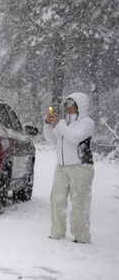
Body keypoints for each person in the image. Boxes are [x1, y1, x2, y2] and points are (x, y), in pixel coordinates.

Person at [44, 92, 95, 243]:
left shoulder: (87, 123)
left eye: (71, 103)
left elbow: (75, 138)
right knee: (56, 200)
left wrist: (58, 124)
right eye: (66, 103)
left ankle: (81, 236)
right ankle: (57, 232)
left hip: (80, 167)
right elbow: (51, 140)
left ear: (80, 105)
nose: (68, 106)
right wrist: (47, 124)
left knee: (79, 202)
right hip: (61, 167)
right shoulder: (64, 123)